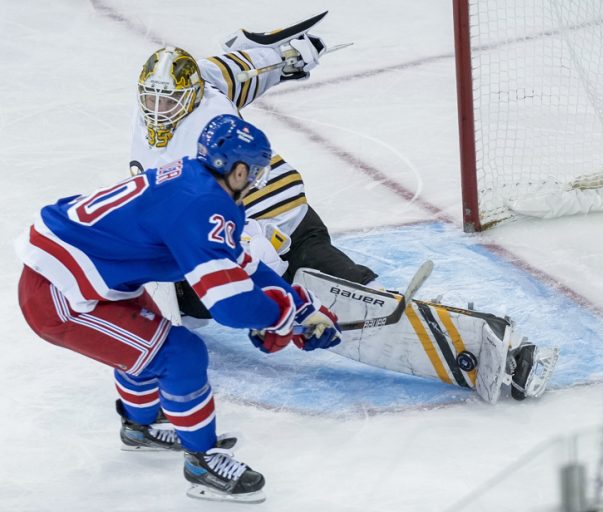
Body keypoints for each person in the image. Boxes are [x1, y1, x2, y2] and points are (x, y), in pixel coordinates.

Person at [16, 115, 342, 503]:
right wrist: (280, 319)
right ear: (238, 171)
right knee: (179, 354)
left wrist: (300, 308)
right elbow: (231, 306)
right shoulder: (203, 205)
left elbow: (242, 266)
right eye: (253, 172)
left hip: (94, 272)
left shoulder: (198, 183)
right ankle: (201, 464)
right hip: (59, 292)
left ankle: (140, 428)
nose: (256, 181)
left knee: (146, 344)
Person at [129, 23, 377, 321]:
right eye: (152, 97)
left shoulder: (212, 124)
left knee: (305, 260)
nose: (158, 109)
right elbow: (234, 68)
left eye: (169, 101)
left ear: (192, 96)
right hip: (250, 217)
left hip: (277, 215)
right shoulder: (203, 82)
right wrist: (281, 57)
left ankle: (376, 298)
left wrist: (252, 245)